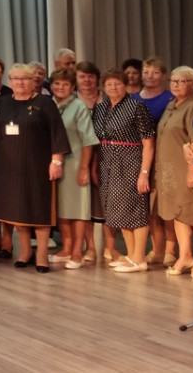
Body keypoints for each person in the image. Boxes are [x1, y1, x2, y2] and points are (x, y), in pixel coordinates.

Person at [0, 64, 69, 273]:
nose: (20, 82)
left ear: (33, 81)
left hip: (38, 165)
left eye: (25, 78)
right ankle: (25, 252)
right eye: (16, 78)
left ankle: (42, 254)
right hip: (10, 166)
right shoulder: (3, 102)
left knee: (38, 209)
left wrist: (56, 161)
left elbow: (57, 132)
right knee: (17, 209)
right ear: (10, 81)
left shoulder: (44, 103)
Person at [93, 68, 156, 273]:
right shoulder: (100, 108)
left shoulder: (137, 107)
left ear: (126, 86)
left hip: (131, 162)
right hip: (107, 162)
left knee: (135, 209)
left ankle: (140, 258)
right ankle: (131, 255)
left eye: (118, 83)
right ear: (104, 87)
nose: (113, 87)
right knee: (120, 211)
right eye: (109, 84)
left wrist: (144, 173)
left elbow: (149, 143)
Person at [156, 66, 193, 278]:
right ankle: (185, 255)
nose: (176, 85)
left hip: (187, 169)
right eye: (173, 81)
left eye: (182, 81)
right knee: (178, 214)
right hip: (170, 171)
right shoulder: (172, 105)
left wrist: (192, 171)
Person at [47, 68, 98, 269]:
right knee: (61, 208)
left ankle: (77, 251)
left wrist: (84, 168)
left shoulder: (79, 106)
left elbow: (88, 140)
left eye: (65, 84)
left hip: (75, 163)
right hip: (54, 164)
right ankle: (66, 248)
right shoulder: (48, 105)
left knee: (78, 209)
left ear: (72, 87)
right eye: (57, 83)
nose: (60, 87)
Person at [136, 57, 176, 266]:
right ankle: (157, 248)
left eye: (155, 72)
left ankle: (171, 249)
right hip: (140, 157)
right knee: (149, 206)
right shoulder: (133, 98)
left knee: (166, 204)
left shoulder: (170, 98)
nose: (150, 76)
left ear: (163, 75)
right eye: (146, 72)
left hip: (165, 155)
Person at [75, 60, 113, 263]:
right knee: (85, 205)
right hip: (78, 157)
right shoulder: (72, 100)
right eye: (82, 76)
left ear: (97, 79)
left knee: (106, 203)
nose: (86, 80)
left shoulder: (107, 98)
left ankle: (110, 246)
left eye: (90, 76)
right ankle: (90, 247)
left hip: (107, 155)